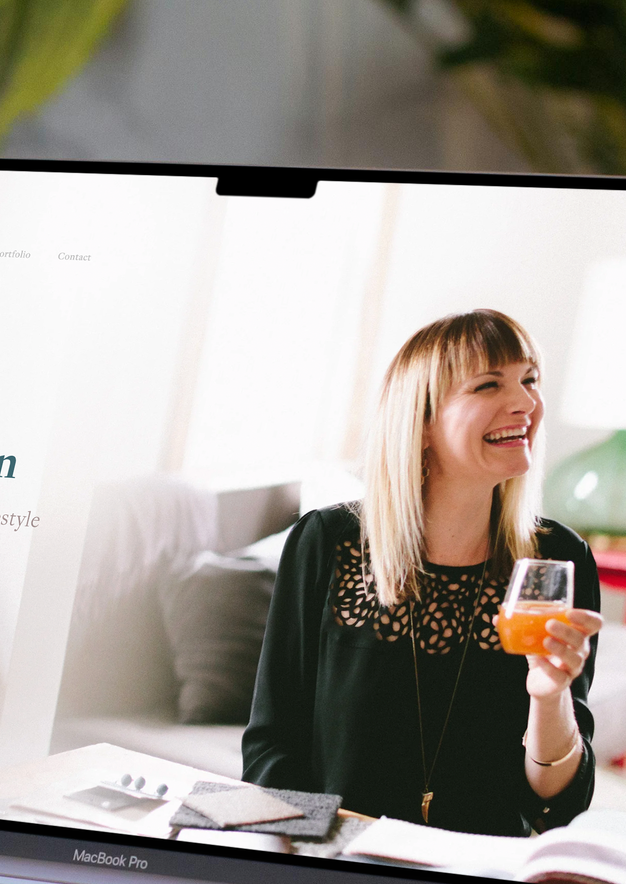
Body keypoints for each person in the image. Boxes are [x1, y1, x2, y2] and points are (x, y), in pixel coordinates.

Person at [242, 309, 604, 836]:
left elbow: (558, 804)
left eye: (529, 380)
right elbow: (271, 749)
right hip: (339, 867)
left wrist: (549, 698)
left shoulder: (556, 559)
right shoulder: (327, 542)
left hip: (478, 876)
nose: (525, 402)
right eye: (488, 385)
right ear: (423, 421)